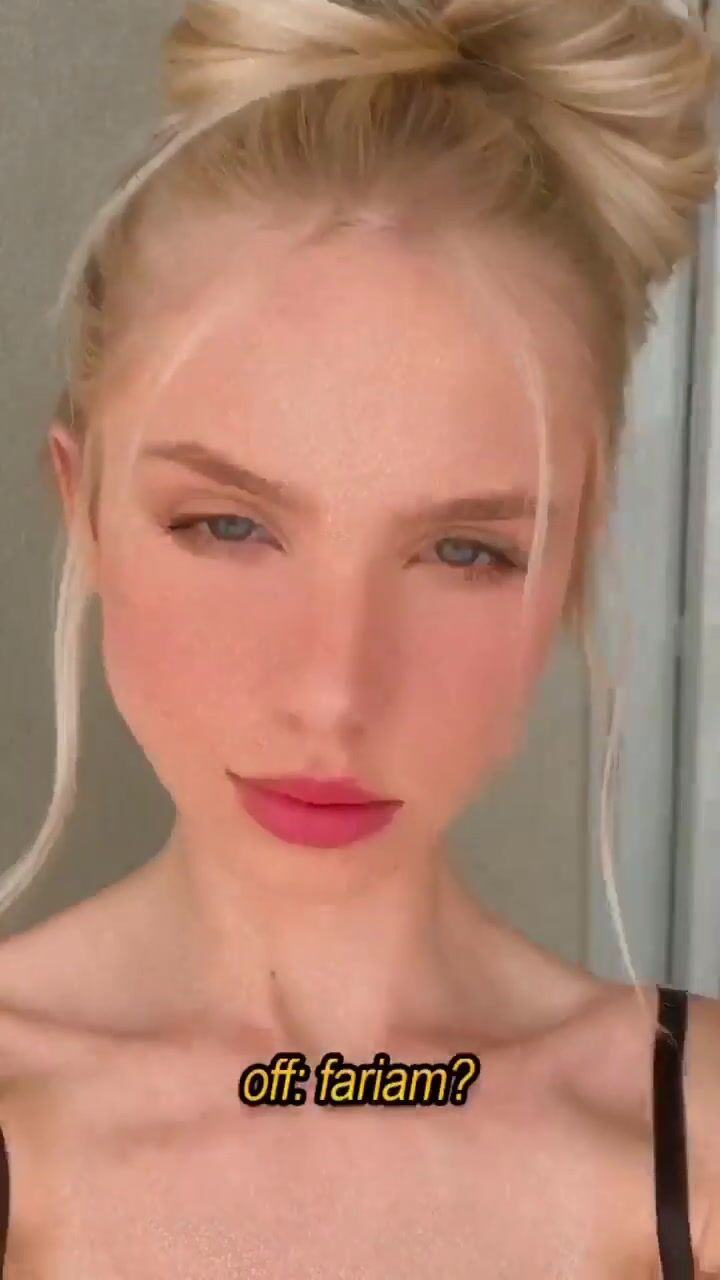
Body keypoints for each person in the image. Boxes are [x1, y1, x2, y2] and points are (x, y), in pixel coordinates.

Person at [0, 0, 719, 1274]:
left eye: (464, 549)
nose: (333, 689)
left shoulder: (693, 1149)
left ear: (570, 560)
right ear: (85, 509)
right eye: (229, 525)